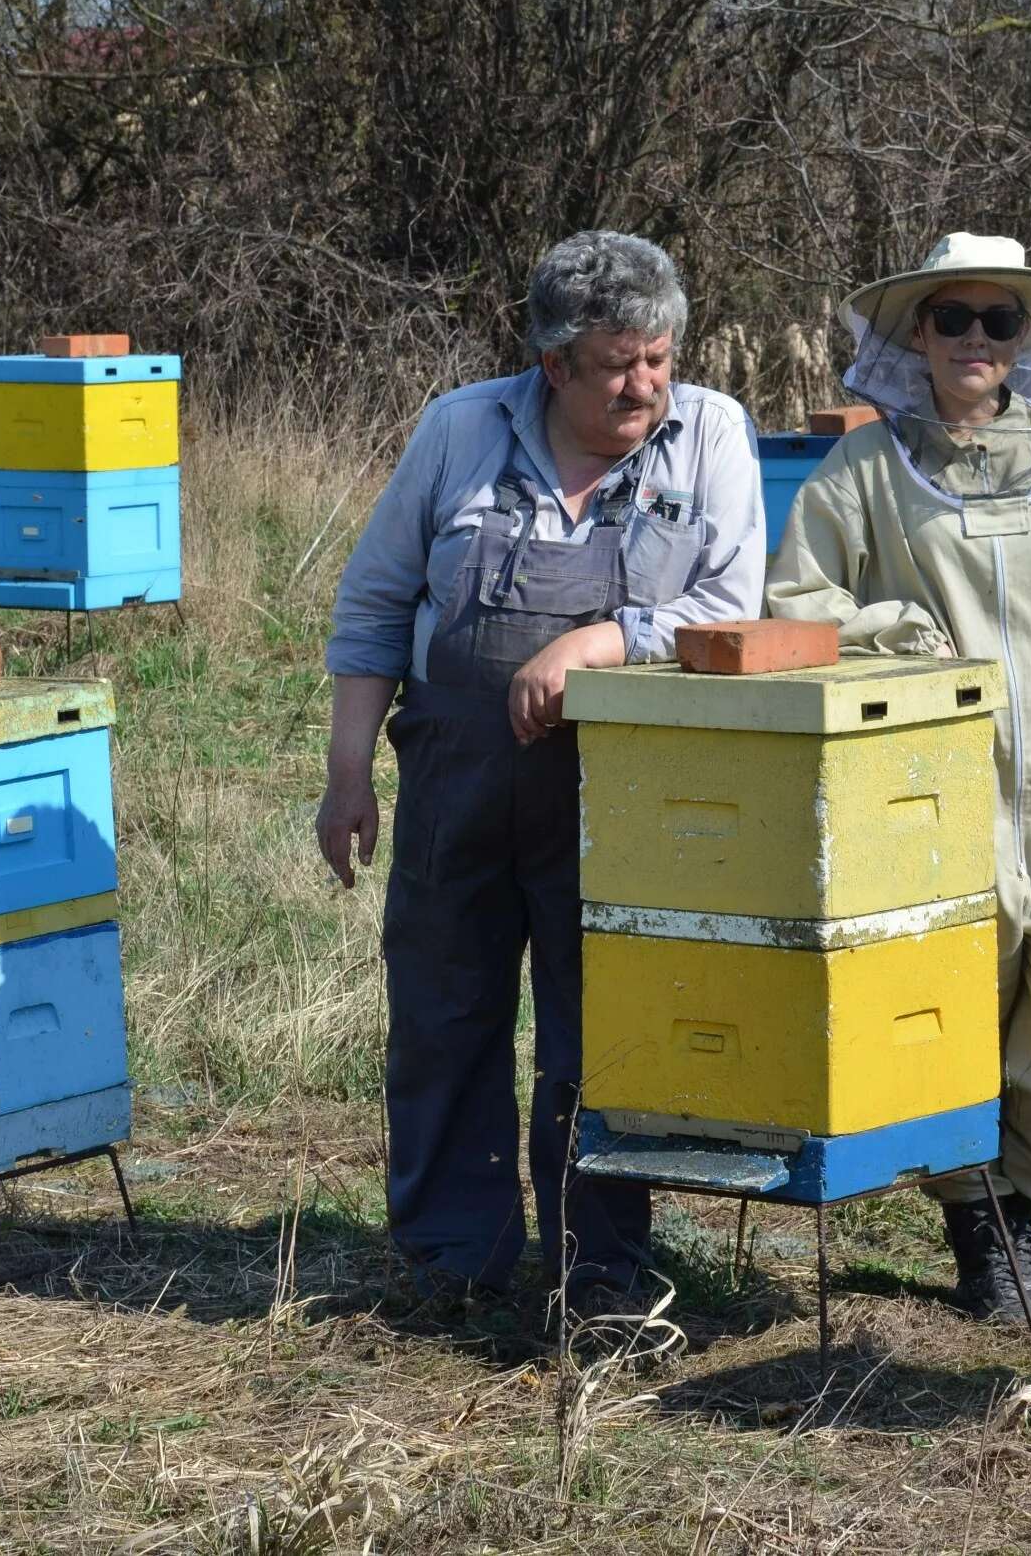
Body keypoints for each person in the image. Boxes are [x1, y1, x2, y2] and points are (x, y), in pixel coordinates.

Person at [318, 231, 766, 1321]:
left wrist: (602, 641)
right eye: (618, 364)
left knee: (598, 1028)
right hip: (454, 776)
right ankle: (449, 1264)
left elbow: (731, 607)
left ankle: (600, 1276)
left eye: (659, 358)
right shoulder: (459, 429)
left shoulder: (710, 436)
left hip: (621, 790)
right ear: (553, 365)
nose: (645, 385)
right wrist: (347, 772)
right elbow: (376, 603)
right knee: (443, 1015)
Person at [765, 232, 1031, 1335]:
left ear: (1028, 338)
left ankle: (1021, 1196)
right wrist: (889, 631)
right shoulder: (864, 469)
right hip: (933, 790)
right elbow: (796, 612)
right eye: (955, 319)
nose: (977, 342)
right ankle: (984, 1233)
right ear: (916, 333)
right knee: (949, 1019)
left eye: (1002, 323)